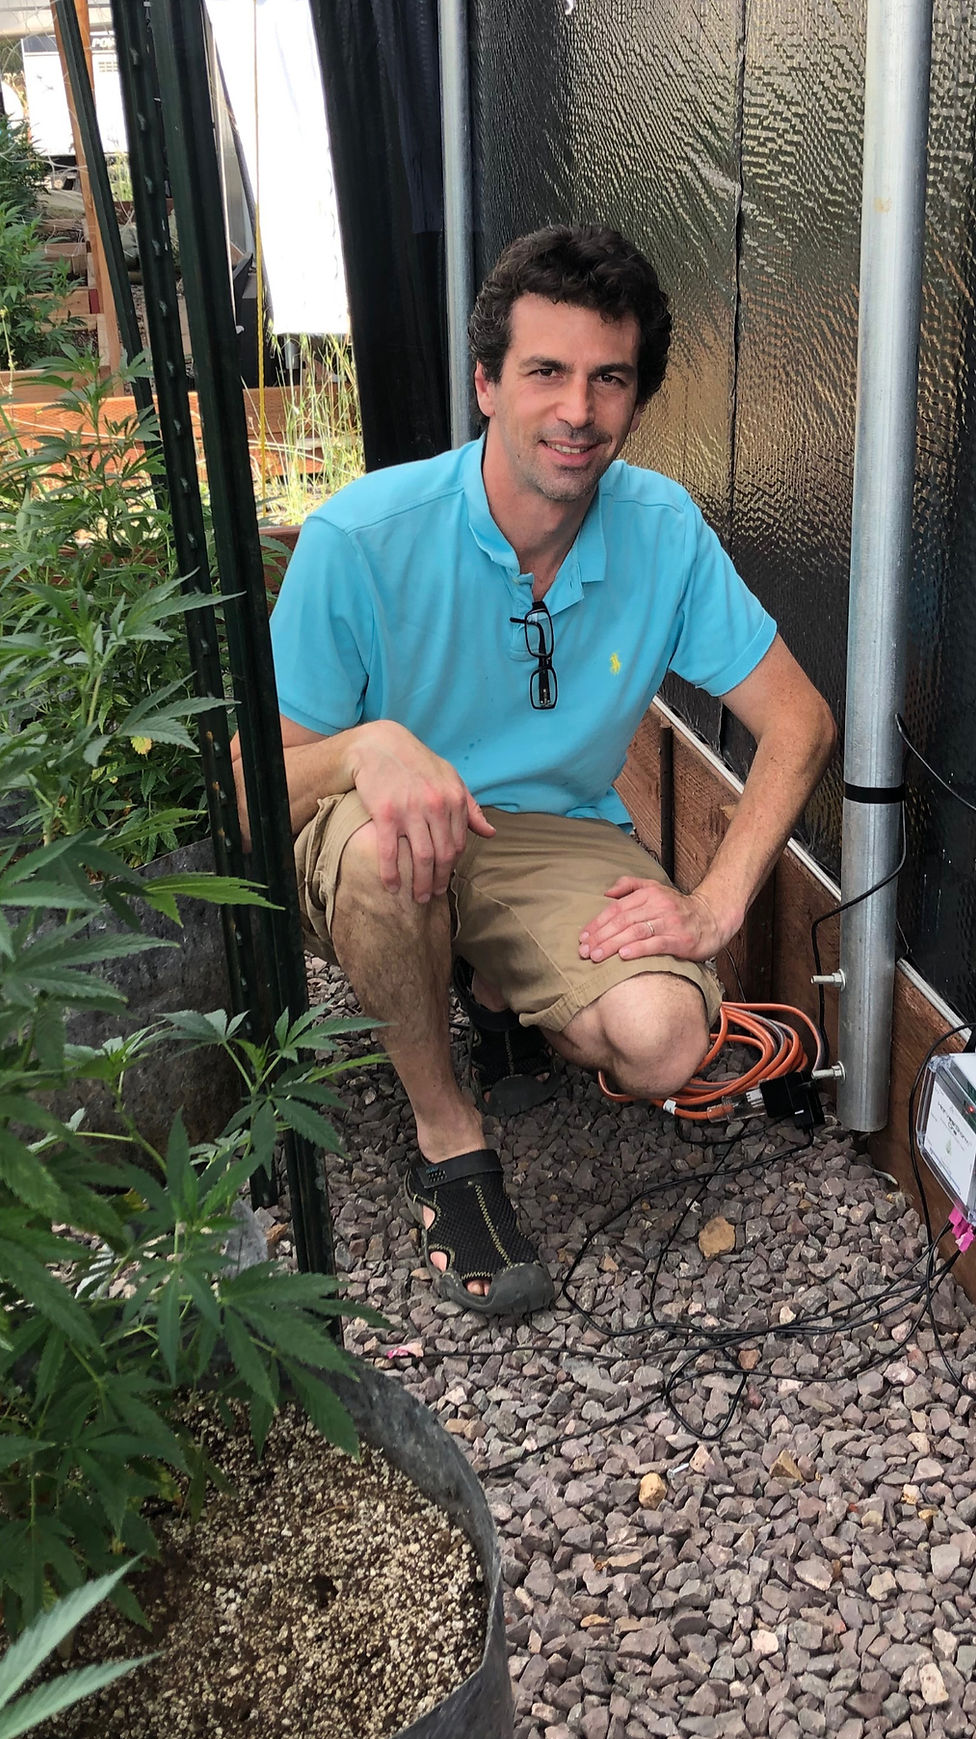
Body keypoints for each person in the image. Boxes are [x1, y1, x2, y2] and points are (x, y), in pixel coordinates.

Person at [231, 224, 835, 1321]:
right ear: (485, 384)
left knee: (662, 1038)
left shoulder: (664, 533)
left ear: (637, 401)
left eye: (608, 379)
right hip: (369, 824)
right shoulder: (362, 536)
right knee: (388, 853)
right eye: (545, 372)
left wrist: (712, 905)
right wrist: (369, 744)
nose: (577, 411)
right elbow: (249, 787)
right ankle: (447, 1130)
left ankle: (499, 981)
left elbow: (797, 723)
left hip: (547, 830)